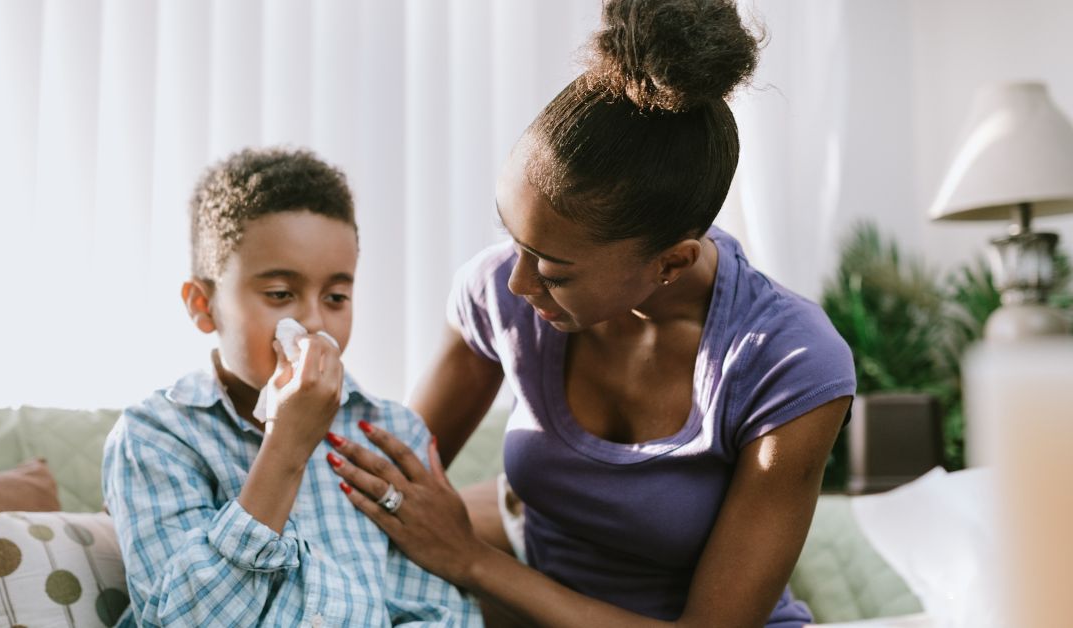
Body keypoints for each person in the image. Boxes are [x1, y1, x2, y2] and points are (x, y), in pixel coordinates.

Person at [324, 1, 856, 626]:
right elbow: (392, 480)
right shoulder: (499, 289)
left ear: (671, 262)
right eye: (511, 238)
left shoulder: (789, 363)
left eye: (554, 270)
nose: (518, 282)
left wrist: (471, 560)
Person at [101, 147, 482, 627]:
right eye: (280, 294)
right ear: (203, 305)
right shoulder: (156, 437)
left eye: (336, 297)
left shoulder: (390, 433)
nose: (314, 322)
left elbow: (441, 613)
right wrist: (287, 446)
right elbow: (184, 619)